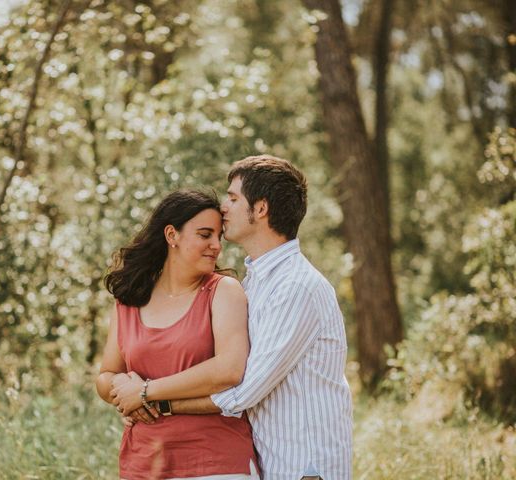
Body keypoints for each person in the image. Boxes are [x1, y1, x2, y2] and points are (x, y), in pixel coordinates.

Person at [112, 155, 353, 480]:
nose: (224, 207)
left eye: (233, 197)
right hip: (273, 460)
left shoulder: (296, 286)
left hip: (305, 468)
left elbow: (243, 389)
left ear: (261, 209)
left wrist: (150, 400)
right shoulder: (255, 283)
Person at [95, 189, 260, 480]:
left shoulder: (222, 291)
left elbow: (229, 370)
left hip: (214, 461)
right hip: (142, 463)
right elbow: (105, 375)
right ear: (172, 235)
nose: (216, 246)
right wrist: (120, 384)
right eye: (205, 234)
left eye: (218, 236)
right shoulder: (129, 300)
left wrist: (145, 393)